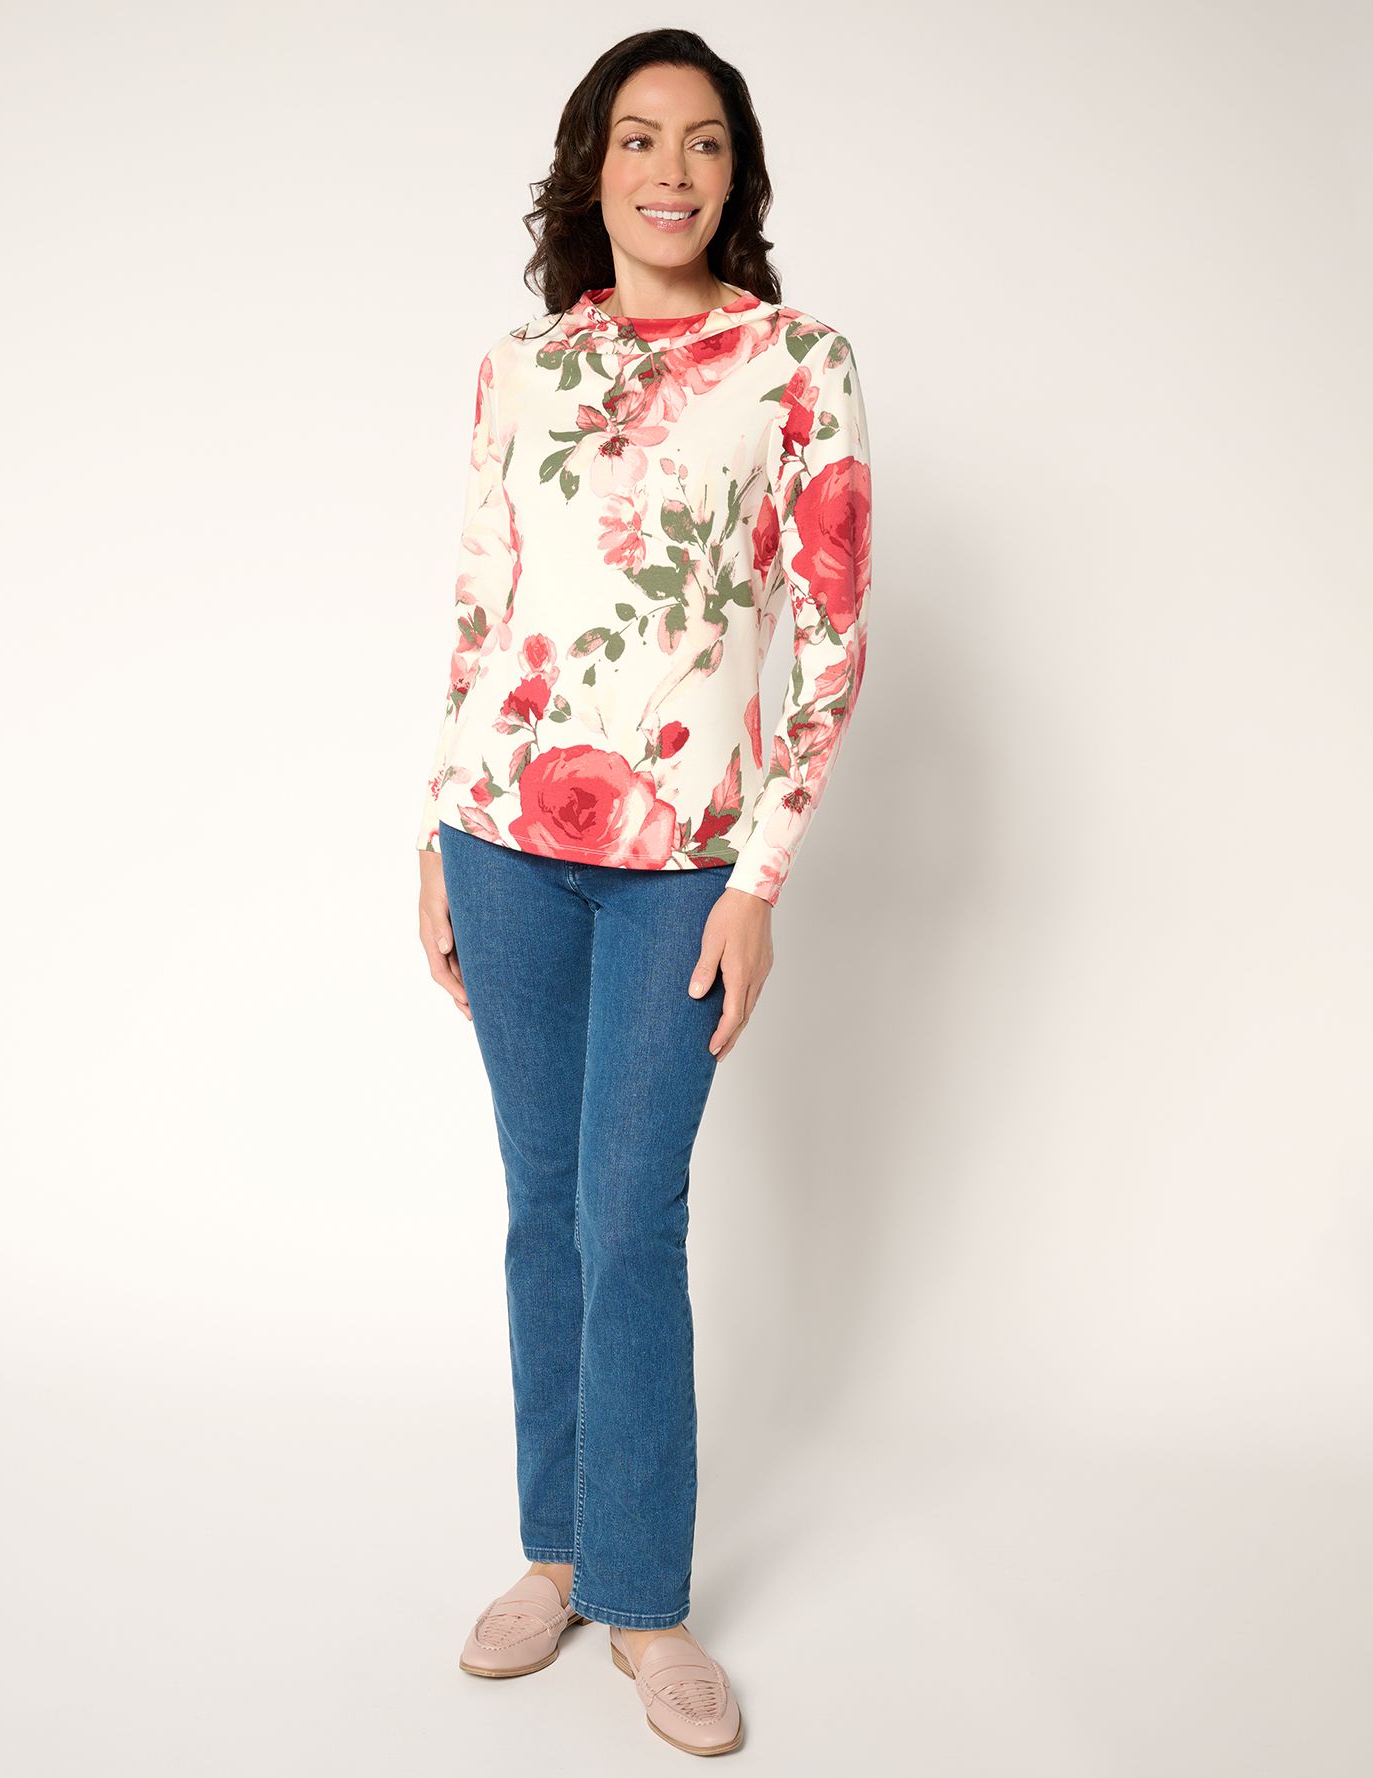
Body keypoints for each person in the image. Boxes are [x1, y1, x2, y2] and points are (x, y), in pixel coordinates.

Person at [413, 28, 872, 1758]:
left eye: (701, 142)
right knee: (542, 1205)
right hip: (503, 840)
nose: (668, 170)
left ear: (736, 174)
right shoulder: (522, 368)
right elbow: (481, 607)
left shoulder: (796, 363)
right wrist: (435, 826)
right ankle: (556, 1551)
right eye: (635, 138)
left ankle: (645, 1594)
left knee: (632, 1212)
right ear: (588, 168)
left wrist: (761, 878)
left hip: (683, 862)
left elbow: (830, 637)